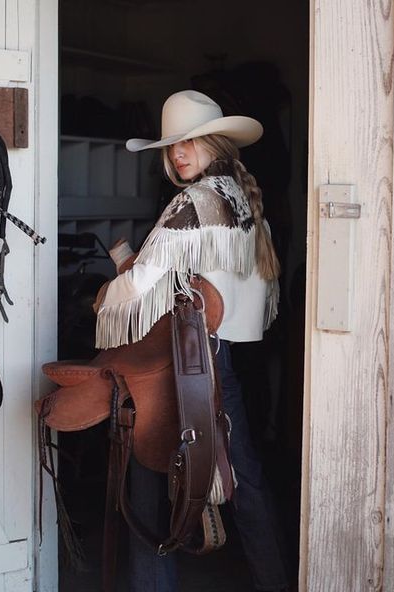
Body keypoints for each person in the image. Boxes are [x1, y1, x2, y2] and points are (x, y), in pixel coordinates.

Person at [95, 90, 290, 592]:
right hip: (227, 355)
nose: (178, 153)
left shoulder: (195, 202)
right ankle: (275, 579)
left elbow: (136, 288)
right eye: (171, 146)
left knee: (148, 472)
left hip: (187, 360)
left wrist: (105, 298)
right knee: (242, 476)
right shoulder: (243, 197)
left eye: (190, 141)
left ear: (216, 143)